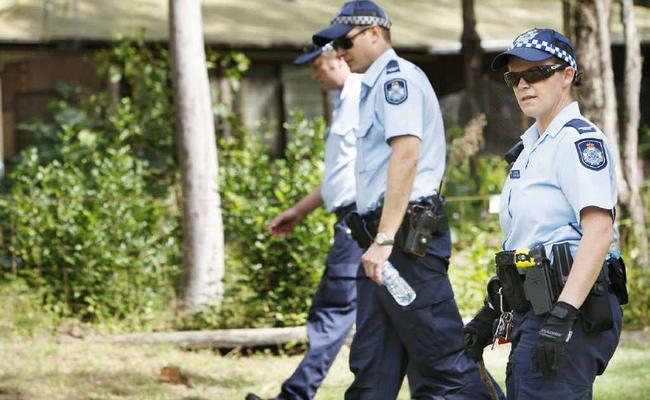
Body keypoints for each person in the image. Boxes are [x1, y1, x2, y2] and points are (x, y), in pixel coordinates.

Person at [312, 2, 503, 399]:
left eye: (345, 42)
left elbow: (406, 155)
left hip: (402, 243)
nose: (339, 53)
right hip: (381, 242)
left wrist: (383, 240)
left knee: (443, 365)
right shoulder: (371, 87)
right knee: (371, 369)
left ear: (374, 33)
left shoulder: (396, 81)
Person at [464, 28, 625, 399]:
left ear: (567, 75)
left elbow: (598, 233)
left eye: (535, 73)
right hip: (533, 308)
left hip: (572, 311)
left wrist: (563, 316)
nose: (523, 85)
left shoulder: (577, 141)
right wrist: (492, 314)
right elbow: (532, 243)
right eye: (514, 77)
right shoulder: (530, 149)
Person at [246, 42, 364, 400]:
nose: (314, 75)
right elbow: (339, 178)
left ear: (341, 59)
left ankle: (294, 396)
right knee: (394, 319)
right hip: (352, 217)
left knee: (333, 309)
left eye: (318, 66)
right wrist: (299, 211)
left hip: (362, 220)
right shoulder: (342, 103)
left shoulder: (366, 98)